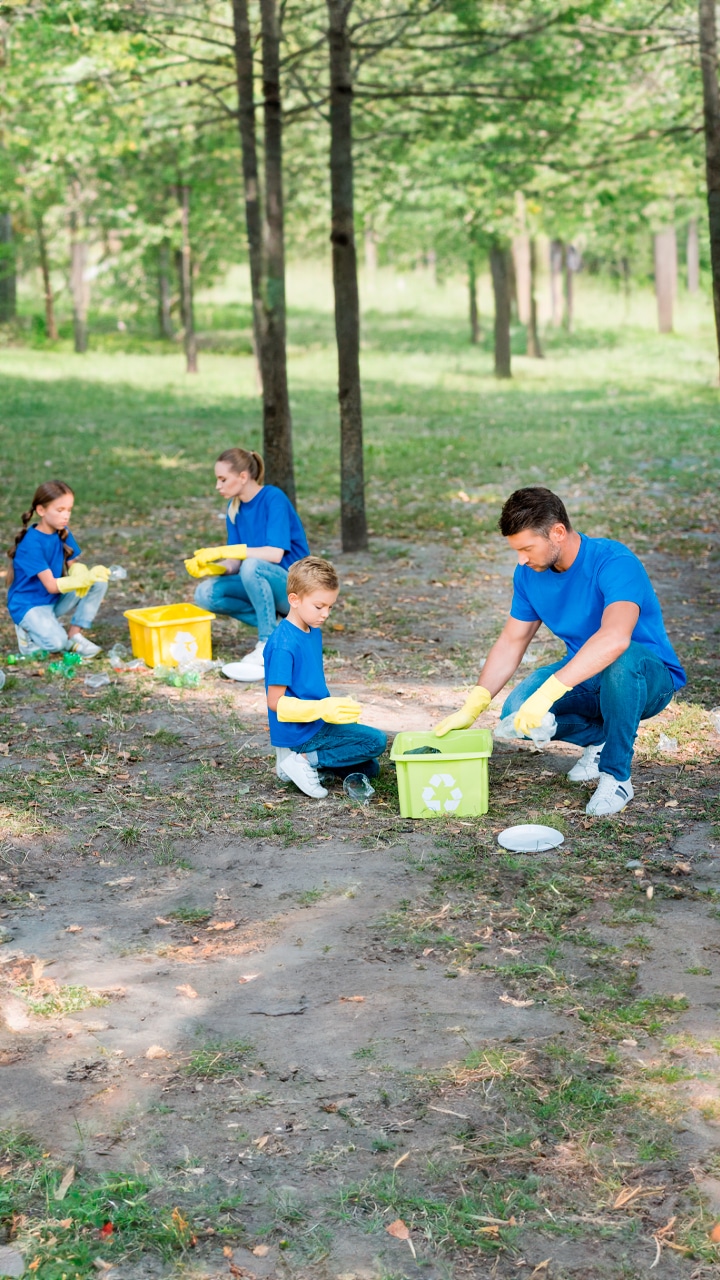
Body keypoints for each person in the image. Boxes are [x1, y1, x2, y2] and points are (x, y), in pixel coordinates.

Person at [435, 487, 686, 817]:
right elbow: (513, 640)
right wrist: (475, 704)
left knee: (620, 660)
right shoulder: (527, 574)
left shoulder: (614, 562)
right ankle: (601, 740)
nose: (521, 559)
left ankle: (616, 776)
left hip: (646, 677)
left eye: (526, 548)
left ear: (557, 532)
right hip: (586, 675)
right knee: (516, 715)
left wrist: (551, 691)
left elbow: (615, 639)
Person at [264, 556, 387, 799]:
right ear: (294, 600)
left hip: (318, 720)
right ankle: (300, 759)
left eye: (330, 607)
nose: (326, 614)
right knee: (376, 742)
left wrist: (327, 708)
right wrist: (321, 708)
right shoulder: (283, 644)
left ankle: (313, 764)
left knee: (369, 768)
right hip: (302, 731)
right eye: (319, 606)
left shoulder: (311, 629)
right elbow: (274, 701)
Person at [187, 448, 310, 682]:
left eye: (223, 479)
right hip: (259, 579)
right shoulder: (234, 508)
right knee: (205, 593)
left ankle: (267, 644)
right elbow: (235, 561)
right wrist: (215, 567)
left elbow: (274, 554)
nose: (217, 486)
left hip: (295, 588)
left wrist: (229, 551)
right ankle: (284, 629)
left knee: (253, 565)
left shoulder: (273, 498)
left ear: (243, 476)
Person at [6, 480, 109, 659]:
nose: (66, 516)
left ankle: (74, 634)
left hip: (52, 601)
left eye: (69, 510)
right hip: (29, 606)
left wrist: (85, 574)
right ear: (41, 510)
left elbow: (73, 563)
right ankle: (27, 634)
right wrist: (81, 580)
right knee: (57, 644)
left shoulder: (62, 531)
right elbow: (52, 586)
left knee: (98, 582)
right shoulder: (31, 543)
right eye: (60, 510)